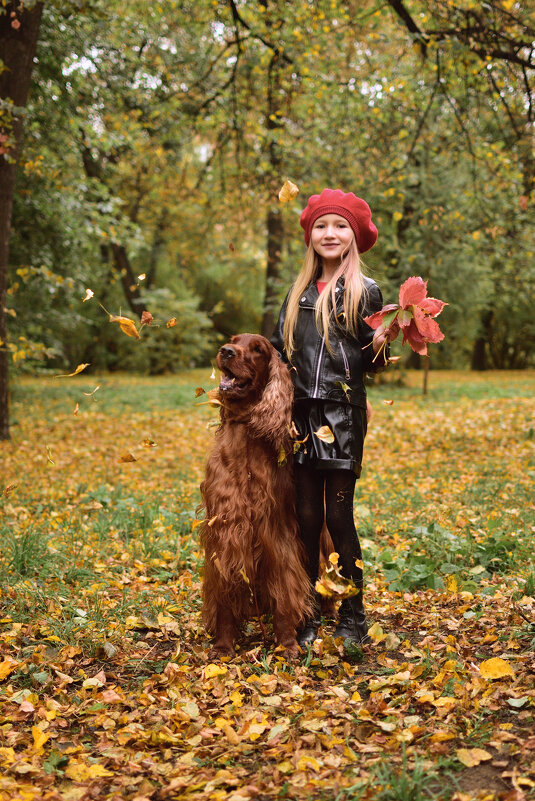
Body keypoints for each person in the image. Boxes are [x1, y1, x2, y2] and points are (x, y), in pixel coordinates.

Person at [270, 188, 391, 647]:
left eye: (340, 226)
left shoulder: (365, 290)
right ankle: (306, 615)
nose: (330, 233)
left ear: (354, 237)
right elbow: (281, 353)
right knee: (304, 516)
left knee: (338, 517)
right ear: (310, 236)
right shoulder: (298, 290)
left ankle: (354, 613)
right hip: (300, 413)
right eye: (322, 225)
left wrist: (380, 347)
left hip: (342, 412)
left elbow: (371, 363)